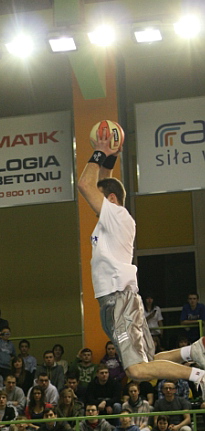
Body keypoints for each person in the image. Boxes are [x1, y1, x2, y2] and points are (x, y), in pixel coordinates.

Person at [77, 132, 205, 394]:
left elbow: (86, 186)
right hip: (116, 301)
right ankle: (192, 351)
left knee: (136, 371)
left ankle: (199, 376)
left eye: (101, 199)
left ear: (111, 200)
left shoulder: (116, 215)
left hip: (119, 300)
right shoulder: (111, 219)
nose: (93, 205)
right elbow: (102, 184)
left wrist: (99, 151)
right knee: (147, 363)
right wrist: (110, 157)